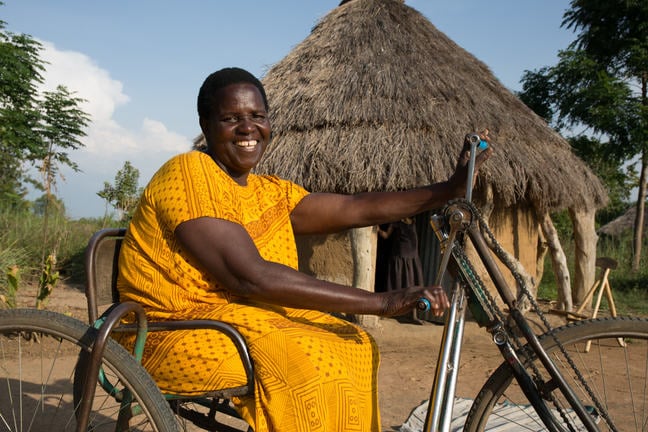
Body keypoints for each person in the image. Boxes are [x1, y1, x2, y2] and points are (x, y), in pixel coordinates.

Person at [116, 67, 492, 431]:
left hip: (236, 319)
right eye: (231, 118)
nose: (247, 128)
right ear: (206, 125)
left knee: (354, 341)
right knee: (303, 359)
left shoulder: (267, 191)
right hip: (170, 328)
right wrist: (383, 301)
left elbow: (355, 208)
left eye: (257, 116)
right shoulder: (188, 173)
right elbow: (251, 277)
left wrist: (448, 189)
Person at [378, 218, 426, 324]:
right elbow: (385, 235)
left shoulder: (413, 221)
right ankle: (389, 312)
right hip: (400, 256)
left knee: (412, 286)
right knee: (397, 284)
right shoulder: (396, 222)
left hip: (412, 257)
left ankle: (413, 316)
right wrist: (377, 229)